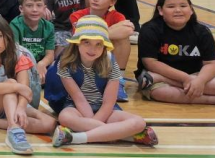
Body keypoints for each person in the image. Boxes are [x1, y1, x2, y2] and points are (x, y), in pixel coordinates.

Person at [47, 16, 157, 148]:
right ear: (77, 42)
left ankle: (75, 137)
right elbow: (79, 99)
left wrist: (93, 122)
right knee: (65, 117)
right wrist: (101, 126)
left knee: (139, 122)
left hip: (105, 109)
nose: (92, 49)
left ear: (104, 46)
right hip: (77, 108)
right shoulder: (65, 63)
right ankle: (125, 135)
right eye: (87, 42)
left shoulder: (111, 63)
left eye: (98, 44)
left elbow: (108, 103)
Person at [136, 0, 215, 111]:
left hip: (194, 75)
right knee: (160, 93)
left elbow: (212, 64)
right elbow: (150, 63)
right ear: (161, 10)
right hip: (162, 74)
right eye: (171, 6)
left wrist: (199, 80)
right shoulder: (150, 30)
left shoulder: (202, 32)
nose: (178, 10)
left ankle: (159, 78)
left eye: (183, 6)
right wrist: (186, 79)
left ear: (191, 9)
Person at [0, 15, 57, 155]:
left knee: (49, 123)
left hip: (13, 100)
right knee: (11, 84)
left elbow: (25, 89)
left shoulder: (20, 55)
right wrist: (16, 87)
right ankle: (14, 131)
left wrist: (20, 108)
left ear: (7, 35)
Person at [70, 0, 136, 99]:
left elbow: (128, 29)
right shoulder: (78, 15)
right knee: (87, 41)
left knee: (123, 39)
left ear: (112, 1)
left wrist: (96, 35)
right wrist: (108, 33)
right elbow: (80, 37)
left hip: (105, 56)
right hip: (83, 57)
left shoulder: (116, 16)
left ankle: (118, 80)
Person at [10, 0, 56, 90]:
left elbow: (50, 54)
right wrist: (31, 68)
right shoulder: (15, 25)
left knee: (58, 72)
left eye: (39, 5)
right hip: (21, 64)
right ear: (21, 9)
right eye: (29, 6)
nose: (35, 9)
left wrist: (42, 64)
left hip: (40, 64)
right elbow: (15, 53)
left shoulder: (49, 27)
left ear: (44, 8)